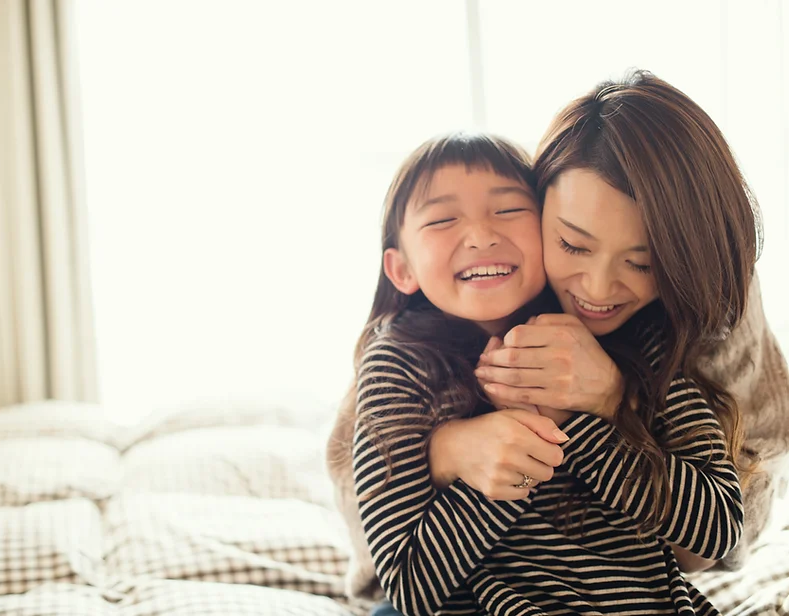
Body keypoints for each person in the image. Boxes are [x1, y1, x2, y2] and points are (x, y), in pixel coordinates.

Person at [327, 71, 773, 616]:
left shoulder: (654, 343)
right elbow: (406, 580)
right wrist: (462, 453)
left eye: (642, 262)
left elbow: (721, 530)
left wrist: (591, 413)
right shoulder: (400, 362)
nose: (599, 289)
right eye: (572, 244)